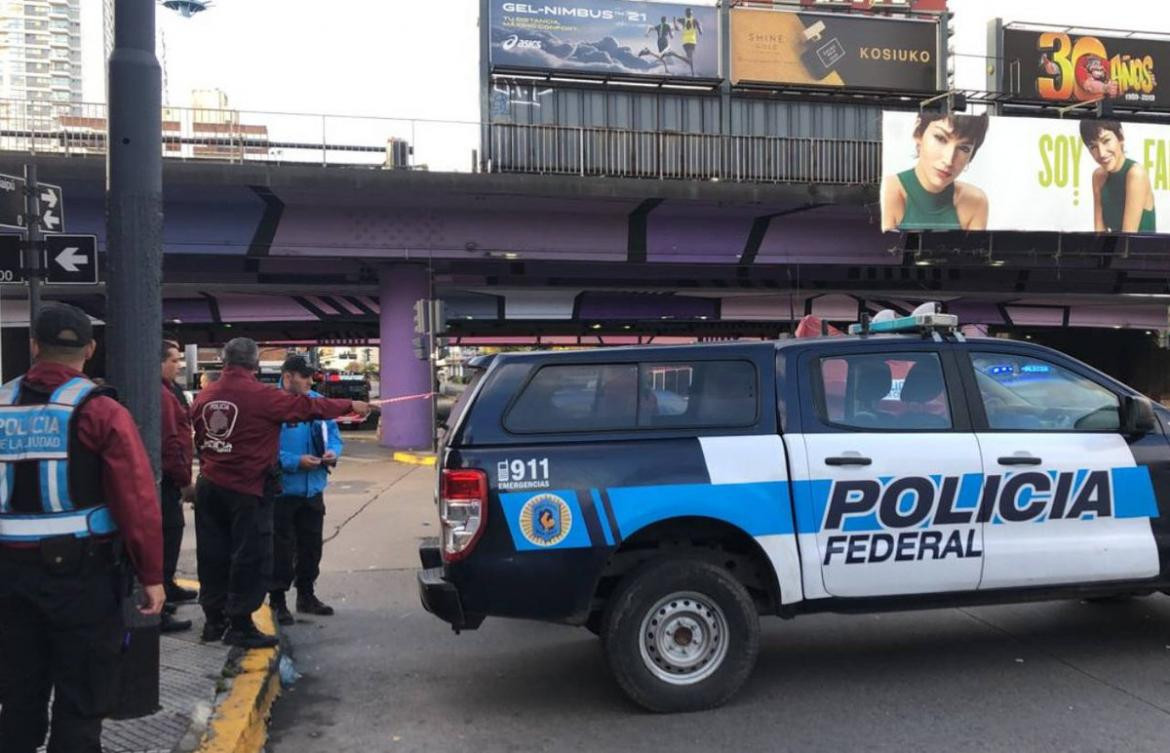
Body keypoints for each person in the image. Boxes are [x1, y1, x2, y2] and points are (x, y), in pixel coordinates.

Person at [0, 303, 164, 753]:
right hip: (82, 580)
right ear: (89, 350)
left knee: (17, 692)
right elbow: (135, 499)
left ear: (35, 346)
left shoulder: (1, 404)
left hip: (8, 579)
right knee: (82, 697)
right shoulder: (100, 411)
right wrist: (152, 576)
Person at [190, 338, 370, 648]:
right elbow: (309, 407)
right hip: (247, 488)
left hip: (209, 484)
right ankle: (241, 625)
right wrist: (350, 405)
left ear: (224, 362)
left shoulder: (206, 395)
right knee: (250, 556)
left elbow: (196, 439)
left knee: (212, 555)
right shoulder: (261, 396)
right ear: (255, 365)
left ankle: (213, 621)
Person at [269, 355, 343, 625]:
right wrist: (294, 461)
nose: (311, 381)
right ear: (288, 377)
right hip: (283, 491)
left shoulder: (316, 402)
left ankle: (306, 595)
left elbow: (333, 433)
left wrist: (334, 451)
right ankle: (277, 600)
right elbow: (265, 450)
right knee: (280, 549)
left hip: (313, 490)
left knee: (311, 546)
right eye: (306, 376)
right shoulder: (273, 404)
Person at [881, 112, 990, 232]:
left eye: (964, 148)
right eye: (941, 138)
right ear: (919, 133)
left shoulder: (975, 201)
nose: (948, 160)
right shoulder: (889, 191)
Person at [160, 340, 195, 632]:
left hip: (171, 476)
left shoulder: (172, 391)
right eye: (173, 359)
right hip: (167, 479)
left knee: (172, 532)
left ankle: (167, 586)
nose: (179, 365)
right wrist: (184, 479)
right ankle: (157, 607)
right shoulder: (162, 394)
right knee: (167, 533)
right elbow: (171, 442)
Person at [1080, 120, 1157, 233]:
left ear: (1120, 136)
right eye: (1093, 147)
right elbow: (1099, 234)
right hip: (1116, 248)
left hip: (1141, 249)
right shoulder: (1098, 176)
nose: (1102, 153)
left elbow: (1127, 238)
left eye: (1106, 141)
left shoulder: (1135, 174)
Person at [674, 8, 703, 76]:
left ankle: (691, 71)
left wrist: (700, 30)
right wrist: (674, 22)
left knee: (690, 57)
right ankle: (691, 71)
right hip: (686, 42)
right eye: (688, 13)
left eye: (690, 13)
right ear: (686, 14)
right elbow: (677, 24)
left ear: (691, 14)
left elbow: (699, 27)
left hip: (691, 41)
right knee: (689, 57)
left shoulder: (694, 20)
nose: (689, 14)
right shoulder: (684, 20)